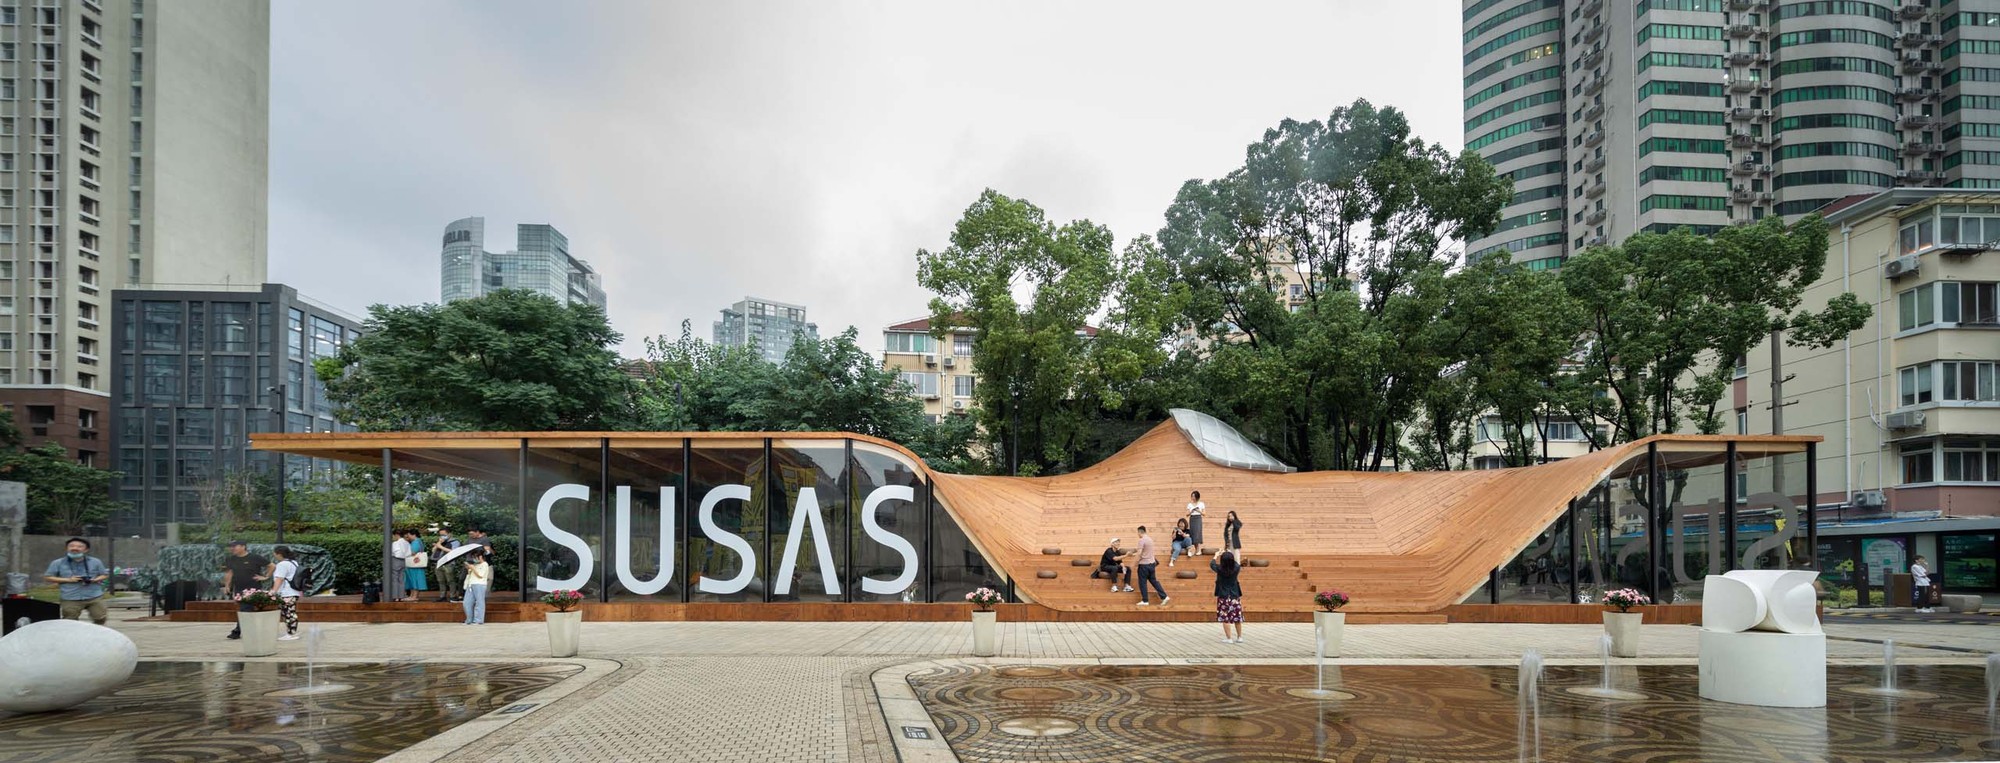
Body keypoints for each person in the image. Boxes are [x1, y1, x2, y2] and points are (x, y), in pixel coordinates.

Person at [42, 537, 110, 625]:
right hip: (70, 596)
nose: (75, 548)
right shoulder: (57, 563)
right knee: (69, 621)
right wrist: (68, 580)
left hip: (94, 595)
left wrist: (95, 579)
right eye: (71, 546)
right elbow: (48, 577)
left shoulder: (95, 561)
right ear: (67, 548)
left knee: (100, 617)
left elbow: (105, 574)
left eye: (79, 546)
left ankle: (96, 635)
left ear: (86, 550)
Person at [221, 540, 271, 640]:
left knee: (245, 608)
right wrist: (227, 585)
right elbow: (229, 573)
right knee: (246, 609)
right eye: (231, 546)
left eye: (235, 546)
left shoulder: (254, 557)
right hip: (238, 587)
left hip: (252, 588)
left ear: (243, 547)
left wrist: (266, 576)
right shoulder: (231, 559)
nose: (232, 548)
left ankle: (237, 631)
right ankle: (253, 630)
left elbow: (271, 565)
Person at [1129, 525, 1170, 607]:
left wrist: (1133, 565)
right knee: (1154, 581)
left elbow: (1139, 553)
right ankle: (1164, 596)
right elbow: (1144, 550)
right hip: (1151, 565)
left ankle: (1145, 601)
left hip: (1144, 566)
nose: (1137, 534)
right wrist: (1133, 551)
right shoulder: (1150, 540)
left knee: (1142, 583)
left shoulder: (1141, 540)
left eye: (1138, 532)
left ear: (1140, 532)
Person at [1212, 548, 1244, 644]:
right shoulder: (1236, 568)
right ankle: (1239, 637)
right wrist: (1229, 553)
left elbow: (1212, 564)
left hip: (1223, 596)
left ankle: (1229, 638)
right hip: (1234, 595)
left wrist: (1216, 555)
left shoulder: (1219, 569)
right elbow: (1236, 563)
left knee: (1225, 617)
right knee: (1237, 617)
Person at [271, 545, 302, 641]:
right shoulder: (293, 563)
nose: (274, 555)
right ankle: (291, 632)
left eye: (275, 553)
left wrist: (273, 591)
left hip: (286, 592)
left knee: (288, 612)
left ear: (279, 554)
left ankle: (291, 633)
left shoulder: (282, 564)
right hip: (294, 591)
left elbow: (279, 579)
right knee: (290, 612)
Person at [462, 547, 491, 625]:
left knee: (479, 602)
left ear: (480, 556)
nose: (474, 559)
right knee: (466, 603)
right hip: (471, 584)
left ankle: (478, 620)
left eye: (475, 557)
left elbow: (480, 575)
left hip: (480, 584)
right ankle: (469, 619)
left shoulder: (485, 564)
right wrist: (469, 568)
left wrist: (473, 568)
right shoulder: (474, 564)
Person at [432, 528, 463, 602]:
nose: (442, 536)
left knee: (451, 580)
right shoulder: (441, 542)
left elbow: (454, 552)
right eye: (441, 535)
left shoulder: (455, 542)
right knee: (441, 580)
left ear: (449, 534)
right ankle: (442, 596)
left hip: (449, 563)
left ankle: (453, 596)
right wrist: (438, 544)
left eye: (444, 535)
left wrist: (441, 547)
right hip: (439, 563)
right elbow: (433, 551)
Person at [402, 530, 430, 600]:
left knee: (414, 580)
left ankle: (414, 596)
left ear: (414, 535)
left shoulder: (416, 542)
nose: (408, 537)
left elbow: (413, 552)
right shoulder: (417, 541)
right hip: (414, 564)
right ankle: (412, 596)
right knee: (413, 580)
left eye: (409, 535)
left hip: (414, 565)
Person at [388, 528, 411, 602]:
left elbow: (396, 552)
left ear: (396, 535)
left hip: (396, 560)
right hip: (404, 561)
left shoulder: (395, 543)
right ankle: (401, 596)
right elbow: (409, 553)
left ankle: (395, 596)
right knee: (401, 579)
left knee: (395, 578)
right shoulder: (407, 542)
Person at [1186, 491, 1207, 557]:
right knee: (1193, 533)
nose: (1192, 497)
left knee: (1197, 533)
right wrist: (1191, 511)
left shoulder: (1201, 504)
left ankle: (1198, 550)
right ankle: (1197, 550)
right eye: (1192, 496)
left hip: (1198, 518)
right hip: (1192, 518)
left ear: (1197, 496)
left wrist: (1198, 511)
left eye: (1194, 496)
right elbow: (1187, 514)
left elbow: (1204, 514)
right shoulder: (1189, 504)